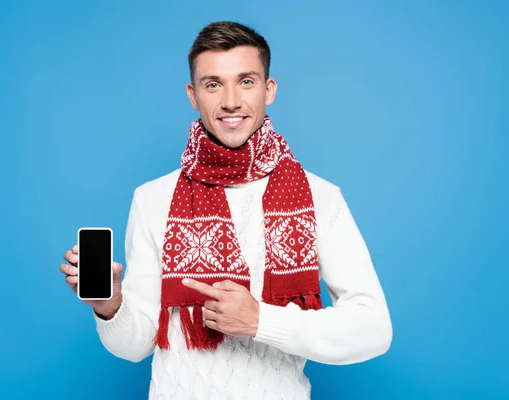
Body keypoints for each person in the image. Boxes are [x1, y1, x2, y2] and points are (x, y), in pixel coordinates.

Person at [60, 21, 392, 400]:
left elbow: (374, 329)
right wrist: (110, 304)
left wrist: (259, 320)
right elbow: (134, 346)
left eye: (246, 81)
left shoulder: (320, 197)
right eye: (213, 84)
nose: (231, 100)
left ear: (269, 90)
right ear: (193, 94)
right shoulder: (153, 198)